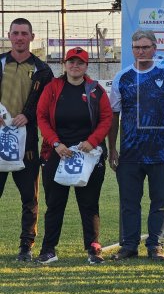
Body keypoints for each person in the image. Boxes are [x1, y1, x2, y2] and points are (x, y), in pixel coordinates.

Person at [108, 30, 164, 262]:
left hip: (161, 152)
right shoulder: (122, 78)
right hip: (130, 152)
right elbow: (113, 115)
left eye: (145, 47)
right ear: (132, 49)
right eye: (136, 47)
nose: (140, 52)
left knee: (160, 202)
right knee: (129, 202)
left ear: (155, 48)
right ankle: (129, 245)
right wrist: (112, 148)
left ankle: (156, 245)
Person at [35, 47, 112, 264]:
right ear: (65, 64)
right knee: (55, 204)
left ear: (86, 66)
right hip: (58, 153)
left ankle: (93, 249)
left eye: (80, 63)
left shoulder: (96, 90)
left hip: (88, 155)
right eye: (71, 62)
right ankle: (48, 249)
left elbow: (106, 118)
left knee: (89, 205)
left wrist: (92, 141)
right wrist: (56, 143)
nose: (75, 66)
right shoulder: (52, 88)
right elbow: (42, 117)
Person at [0, 18, 53, 261]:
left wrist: (27, 115)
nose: (19, 37)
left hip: (27, 145)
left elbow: (48, 106)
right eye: (15, 33)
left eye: (24, 33)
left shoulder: (43, 69)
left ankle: (26, 246)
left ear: (32, 37)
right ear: (8, 36)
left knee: (29, 198)